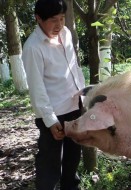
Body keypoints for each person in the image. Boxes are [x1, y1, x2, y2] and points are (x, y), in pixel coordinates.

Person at [22, 0, 85, 189]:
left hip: (75, 106)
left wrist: (84, 97)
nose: (59, 25)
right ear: (38, 19)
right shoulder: (33, 47)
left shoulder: (65, 34)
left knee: (72, 159)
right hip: (54, 114)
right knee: (50, 165)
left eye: (62, 18)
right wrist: (50, 121)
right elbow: (36, 88)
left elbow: (74, 68)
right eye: (53, 20)